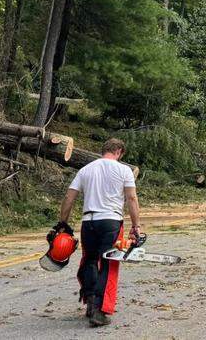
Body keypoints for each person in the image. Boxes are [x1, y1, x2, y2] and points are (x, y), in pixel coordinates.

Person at [56, 138, 142, 327]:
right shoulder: (124, 170)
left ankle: (90, 301)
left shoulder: (86, 169)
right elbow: (131, 198)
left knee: (90, 261)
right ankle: (100, 310)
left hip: (89, 222)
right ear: (119, 151)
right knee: (109, 263)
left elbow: (69, 197)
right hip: (111, 221)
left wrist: (63, 223)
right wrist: (136, 227)